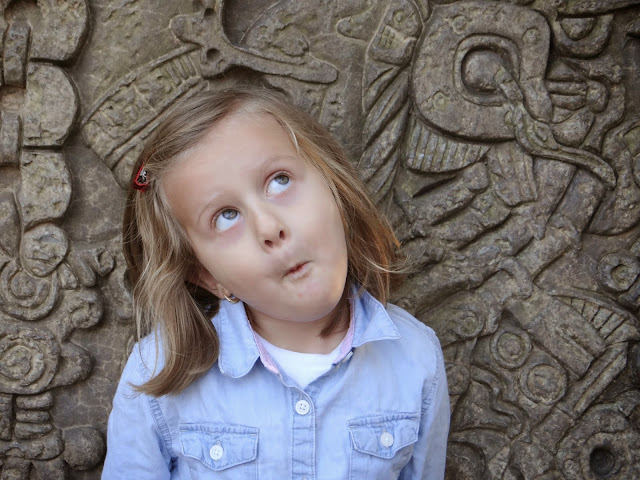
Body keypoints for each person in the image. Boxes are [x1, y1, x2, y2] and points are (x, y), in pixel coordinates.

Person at [102, 86, 449, 479]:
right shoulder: (155, 373)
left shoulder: (416, 358)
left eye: (279, 181)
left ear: (336, 189)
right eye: (226, 216)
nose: (269, 227)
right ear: (207, 276)